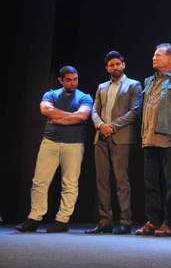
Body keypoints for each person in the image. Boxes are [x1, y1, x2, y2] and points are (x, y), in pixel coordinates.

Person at [16, 66, 93, 233]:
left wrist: (57, 119)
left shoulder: (85, 97)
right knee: (40, 181)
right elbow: (45, 110)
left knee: (70, 183)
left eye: (75, 79)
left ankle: (62, 220)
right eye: (69, 80)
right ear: (61, 80)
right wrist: (70, 117)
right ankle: (34, 217)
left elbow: (82, 116)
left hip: (74, 143)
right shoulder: (50, 94)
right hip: (50, 142)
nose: (73, 83)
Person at [135, 43, 171, 237]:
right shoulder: (148, 81)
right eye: (154, 55)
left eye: (158, 55)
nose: (153, 58)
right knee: (150, 183)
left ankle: (170, 223)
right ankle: (153, 221)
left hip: (169, 137)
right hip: (149, 138)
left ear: (170, 59)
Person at [85, 51, 142, 235]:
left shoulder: (133, 85)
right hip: (101, 138)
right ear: (107, 68)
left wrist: (112, 126)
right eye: (111, 65)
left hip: (121, 138)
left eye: (118, 64)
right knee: (102, 181)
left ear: (123, 65)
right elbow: (94, 109)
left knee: (121, 181)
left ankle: (125, 221)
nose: (115, 67)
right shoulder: (102, 87)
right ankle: (104, 221)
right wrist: (100, 125)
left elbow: (135, 111)